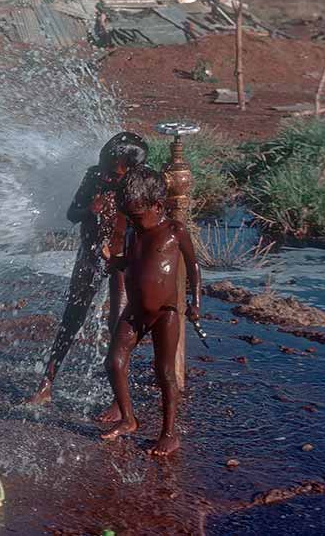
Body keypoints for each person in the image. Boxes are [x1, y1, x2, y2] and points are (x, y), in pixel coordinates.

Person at [25, 132, 148, 408]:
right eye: (103, 166)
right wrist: (90, 210)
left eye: (111, 172)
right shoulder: (94, 176)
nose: (105, 175)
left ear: (130, 170)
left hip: (123, 262)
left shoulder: (138, 185)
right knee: (72, 317)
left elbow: (148, 226)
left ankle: (119, 401)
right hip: (91, 254)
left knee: (118, 328)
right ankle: (46, 385)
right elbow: (72, 214)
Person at [100, 166, 201, 456]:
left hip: (165, 312)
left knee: (164, 371)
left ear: (157, 206)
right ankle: (129, 419)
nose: (133, 220)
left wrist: (195, 303)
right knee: (114, 363)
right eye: (129, 216)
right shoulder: (134, 231)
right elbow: (129, 263)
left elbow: (193, 267)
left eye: (137, 215)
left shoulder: (174, 231)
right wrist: (113, 261)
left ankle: (169, 433)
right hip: (135, 311)